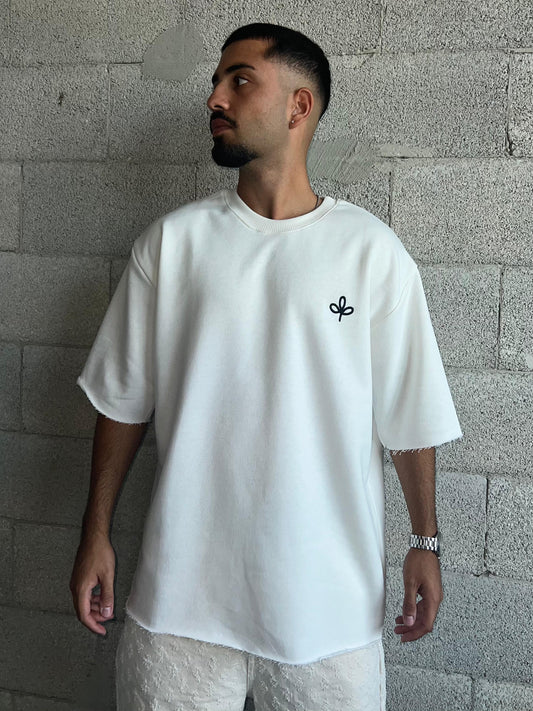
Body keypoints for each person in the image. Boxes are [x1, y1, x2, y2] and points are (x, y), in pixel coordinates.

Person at [69, 22, 463, 711]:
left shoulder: (370, 253)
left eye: (240, 80)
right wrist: (95, 531)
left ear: (298, 106)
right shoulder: (172, 244)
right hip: (180, 609)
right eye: (216, 81)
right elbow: (123, 402)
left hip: (329, 614)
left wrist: (423, 540)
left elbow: (410, 415)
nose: (215, 98)